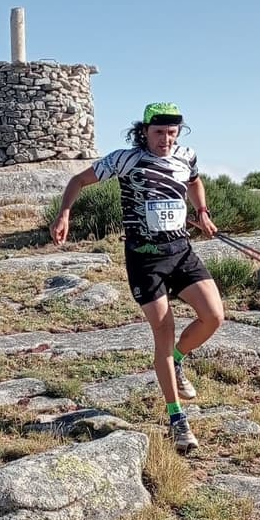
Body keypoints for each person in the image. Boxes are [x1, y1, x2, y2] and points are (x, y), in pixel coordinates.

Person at [50, 102, 223, 455]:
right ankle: (177, 420)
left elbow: (194, 180)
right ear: (144, 131)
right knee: (164, 331)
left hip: (181, 252)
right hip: (145, 260)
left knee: (214, 316)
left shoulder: (186, 155)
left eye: (172, 132)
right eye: (159, 132)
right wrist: (64, 213)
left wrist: (202, 211)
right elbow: (78, 180)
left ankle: (176, 361)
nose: (166, 139)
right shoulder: (126, 159)